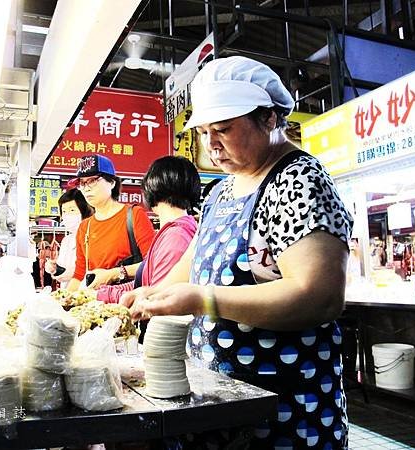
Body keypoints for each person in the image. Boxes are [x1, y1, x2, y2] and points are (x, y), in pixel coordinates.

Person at [122, 56, 354, 449]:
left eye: (224, 130)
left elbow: (319, 296)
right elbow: (195, 262)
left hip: (286, 411)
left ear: (269, 119)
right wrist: (153, 293)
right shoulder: (222, 191)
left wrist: (202, 300)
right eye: (205, 132)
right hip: (222, 406)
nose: (212, 145)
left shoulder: (299, 182)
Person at [96, 156, 200, 303]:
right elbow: (147, 283)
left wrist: (103, 295)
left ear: (152, 187)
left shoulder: (175, 237)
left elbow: (157, 299)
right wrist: (105, 292)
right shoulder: (176, 231)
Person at [66, 155, 155, 291]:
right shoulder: (85, 227)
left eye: (93, 181)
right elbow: (79, 275)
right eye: (82, 183)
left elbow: (154, 262)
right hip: (96, 305)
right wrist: (62, 299)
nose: (86, 188)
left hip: (130, 302)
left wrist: (114, 273)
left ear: (112, 182)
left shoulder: (134, 215)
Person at [45, 189, 94, 288]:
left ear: (85, 211)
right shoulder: (66, 240)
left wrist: (76, 273)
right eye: (64, 211)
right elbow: (63, 268)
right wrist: (54, 268)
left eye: (72, 210)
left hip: (89, 295)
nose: (67, 215)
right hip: (67, 294)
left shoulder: (95, 237)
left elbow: (103, 270)